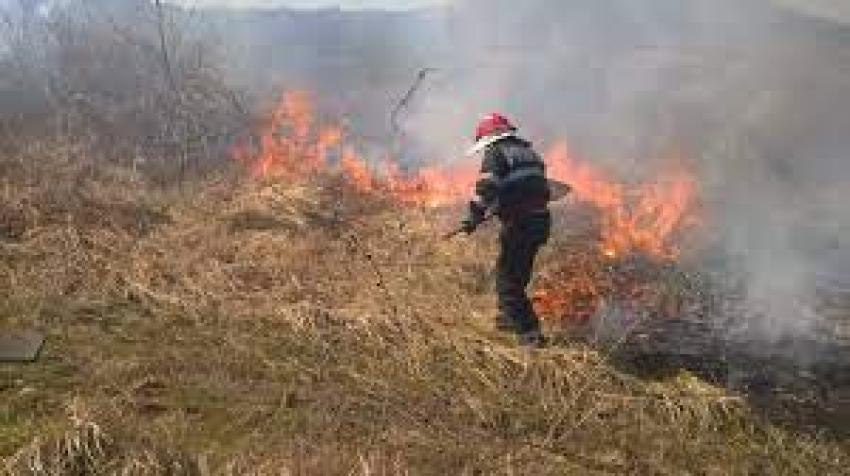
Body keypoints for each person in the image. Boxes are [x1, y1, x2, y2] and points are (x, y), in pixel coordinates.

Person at [461, 113, 551, 348]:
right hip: (540, 222)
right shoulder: (530, 154)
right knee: (515, 275)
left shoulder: (496, 153)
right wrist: (503, 204)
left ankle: (530, 336)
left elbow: (487, 187)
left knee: (508, 284)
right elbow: (535, 189)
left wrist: (473, 216)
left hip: (520, 224)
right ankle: (508, 319)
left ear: (489, 138)